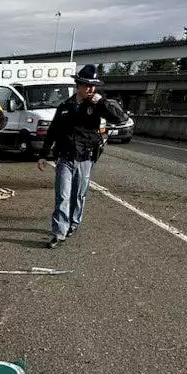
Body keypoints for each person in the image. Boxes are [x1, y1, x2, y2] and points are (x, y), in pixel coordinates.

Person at [37, 64, 127, 248]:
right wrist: (43, 154)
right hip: (65, 158)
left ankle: (74, 222)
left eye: (93, 86)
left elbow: (120, 118)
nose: (91, 89)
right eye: (87, 85)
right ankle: (59, 232)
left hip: (85, 157)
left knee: (78, 194)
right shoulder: (65, 106)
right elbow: (53, 130)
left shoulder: (97, 105)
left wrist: (102, 102)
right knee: (62, 195)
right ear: (78, 85)